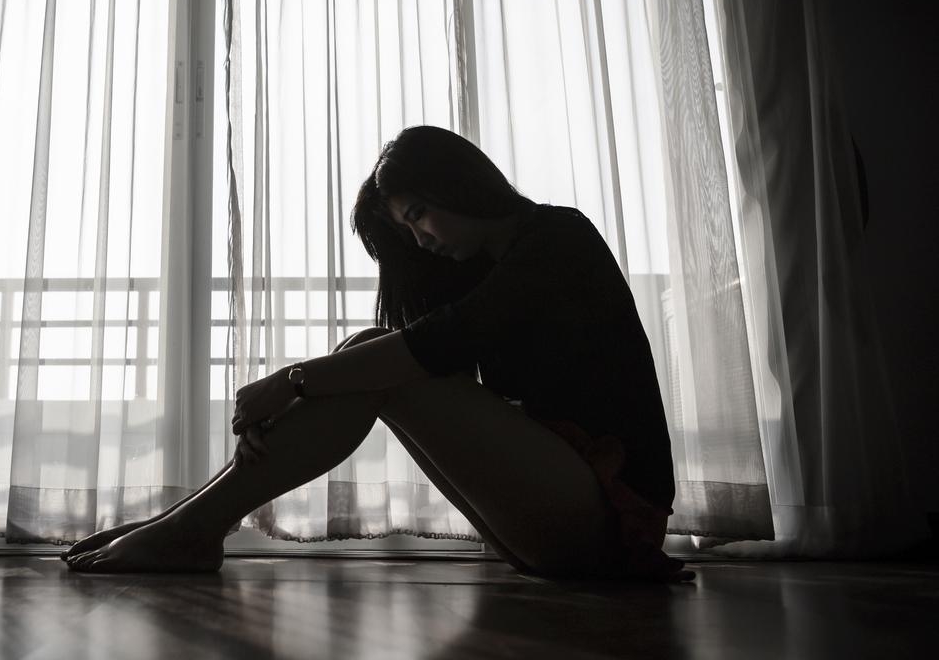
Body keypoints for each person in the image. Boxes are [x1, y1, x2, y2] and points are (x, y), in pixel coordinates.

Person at [64, 125, 692, 582]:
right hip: (551, 521)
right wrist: (302, 384)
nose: (421, 239)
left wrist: (290, 381)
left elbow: (432, 344)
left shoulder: (558, 236)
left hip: (611, 518)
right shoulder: (485, 271)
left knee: (372, 359)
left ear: (457, 183)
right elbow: (426, 349)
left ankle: (190, 529)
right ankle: (186, 523)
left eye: (420, 214)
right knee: (365, 360)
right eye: (407, 230)